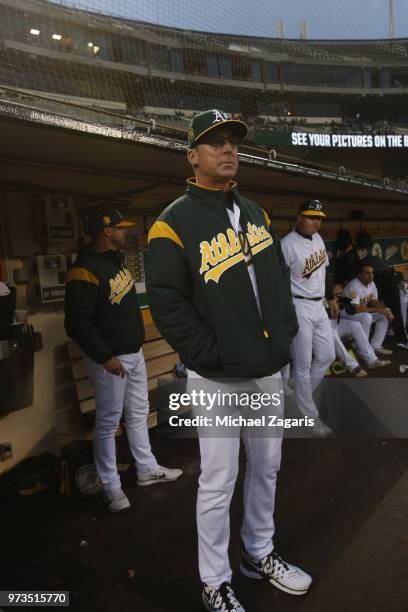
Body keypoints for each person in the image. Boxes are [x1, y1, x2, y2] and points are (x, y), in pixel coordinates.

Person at [146, 109, 312, 611]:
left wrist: (282, 339)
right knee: (219, 479)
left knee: (267, 467)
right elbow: (168, 305)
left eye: (233, 141)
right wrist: (211, 355)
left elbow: (276, 288)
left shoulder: (258, 213)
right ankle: (214, 580)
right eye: (214, 142)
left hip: (265, 366)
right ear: (192, 156)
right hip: (217, 375)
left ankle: (258, 553)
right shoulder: (171, 223)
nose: (228, 149)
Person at [64, 207, 182, 513]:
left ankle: (146, 468)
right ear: (106, 231)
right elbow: (77, 323)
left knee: (139, 412)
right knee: (108, 422)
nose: (124, 232)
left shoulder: (115, 263)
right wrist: (104, 357)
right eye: (119, 228)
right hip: (110, 360)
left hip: (134, 353)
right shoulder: (84, 270)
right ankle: (111, 486)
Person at [281, 200, 336, 436]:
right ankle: (309, 416)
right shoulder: (287, 244)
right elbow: (277, 282)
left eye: (319, 217)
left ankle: (300, 397)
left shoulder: (319, 239)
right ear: (299, 217)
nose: (316, 221)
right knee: (302, 365)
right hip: (299, 305)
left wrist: (331, 297)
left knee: (327, 355)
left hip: (319, 304)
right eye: (311, 216)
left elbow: (326, 271)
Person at [341, 263, 394, 357]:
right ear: (360, 275)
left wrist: (386, 311)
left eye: (372, 273)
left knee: (383, 316)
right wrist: (379, 310)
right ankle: (362, 350)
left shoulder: (371, 284)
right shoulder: (354, 285)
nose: (370, 275)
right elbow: (356, 308)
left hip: (359, 313)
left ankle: (375, 346)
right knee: (366, 317)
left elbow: (375, 302)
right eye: (367, 273)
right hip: (346, 313)